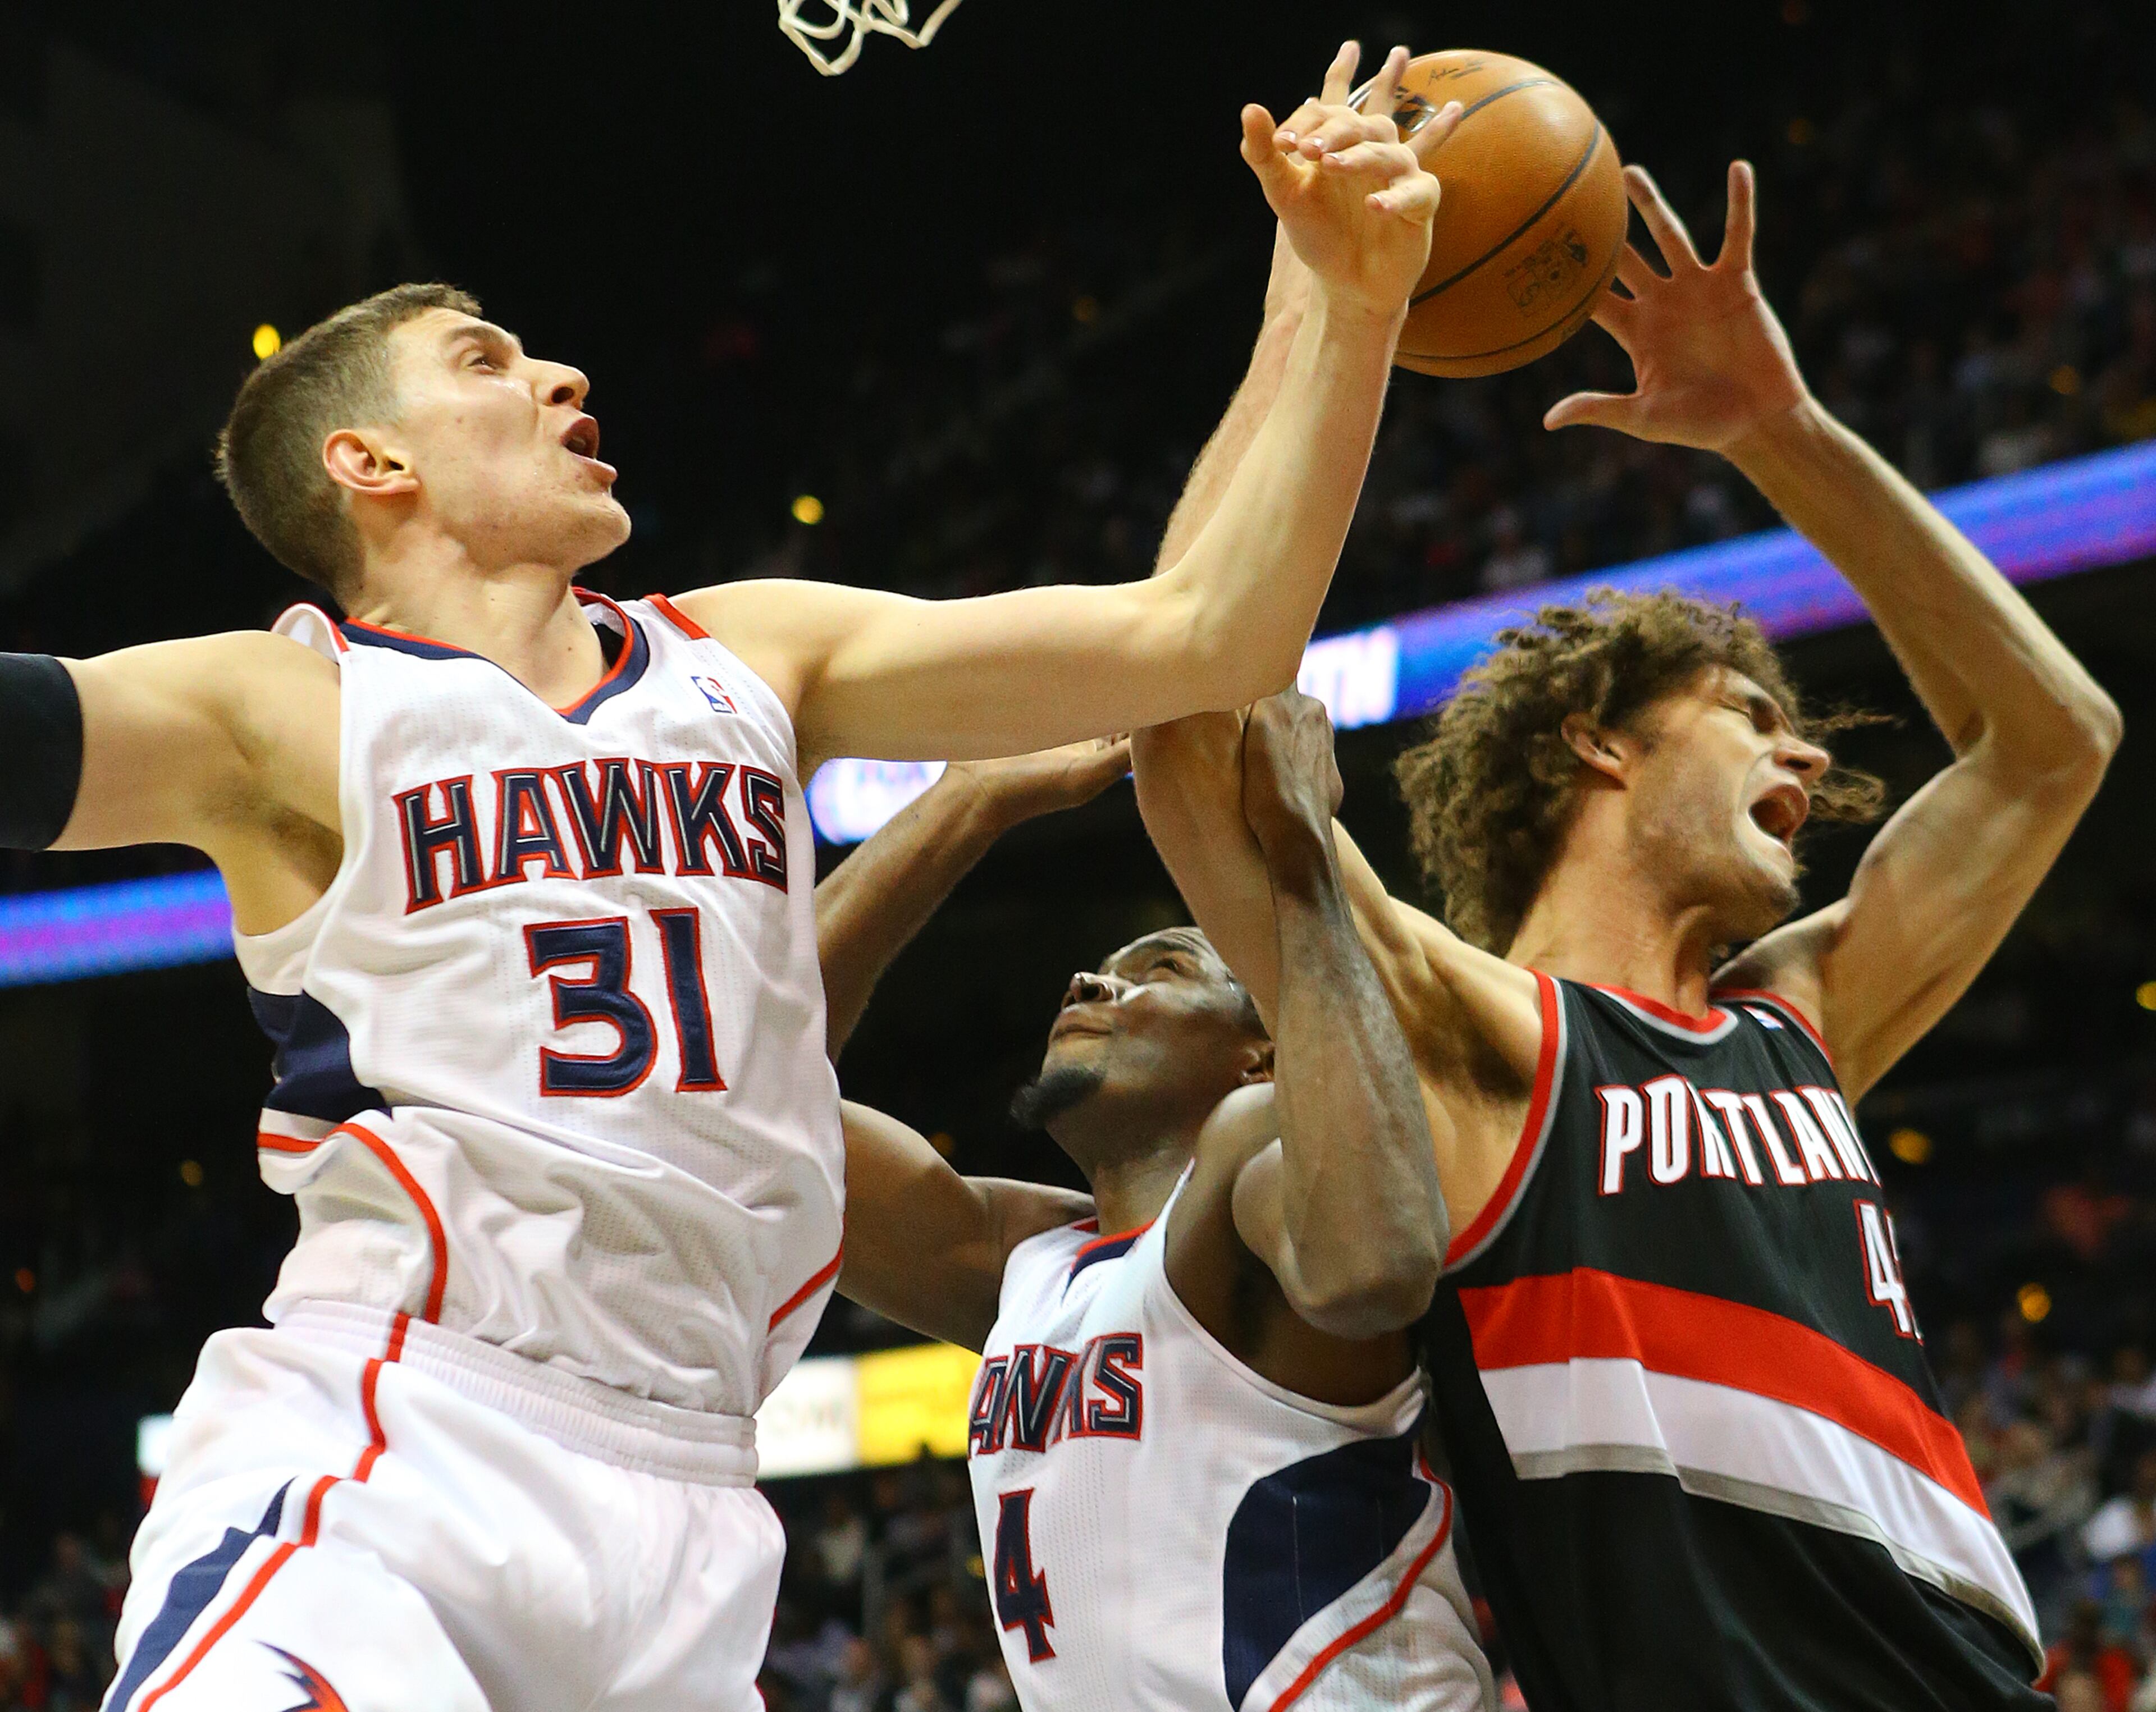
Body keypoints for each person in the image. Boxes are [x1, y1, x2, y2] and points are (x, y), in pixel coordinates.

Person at [0, 45, 1454, 1712]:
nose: (558, 376)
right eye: (487, 361)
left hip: (700, 1502)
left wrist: (1337, 296)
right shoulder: (291, 706)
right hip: (405, 1440)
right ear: (370, 467)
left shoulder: (751, 651)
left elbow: (1210, 632)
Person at [1134, 162, 2121, 1706]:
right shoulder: (1475, 1041)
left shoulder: (1802, 1017)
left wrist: (1781, 434)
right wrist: (1331, 309)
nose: (1803, 762)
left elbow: (2053, 741)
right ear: (1598, 744)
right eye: (1749, 718)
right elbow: (1192, 730)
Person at [819, 700, 1495, 1711]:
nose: (1094, 979)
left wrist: (1300, 859)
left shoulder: (1257, 1173)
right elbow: (731, 1082)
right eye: (1099, 970)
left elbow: (1376, 1265)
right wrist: (964, 802)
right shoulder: (1026, 1262)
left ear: (1259, 1052)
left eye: (1164, 968)